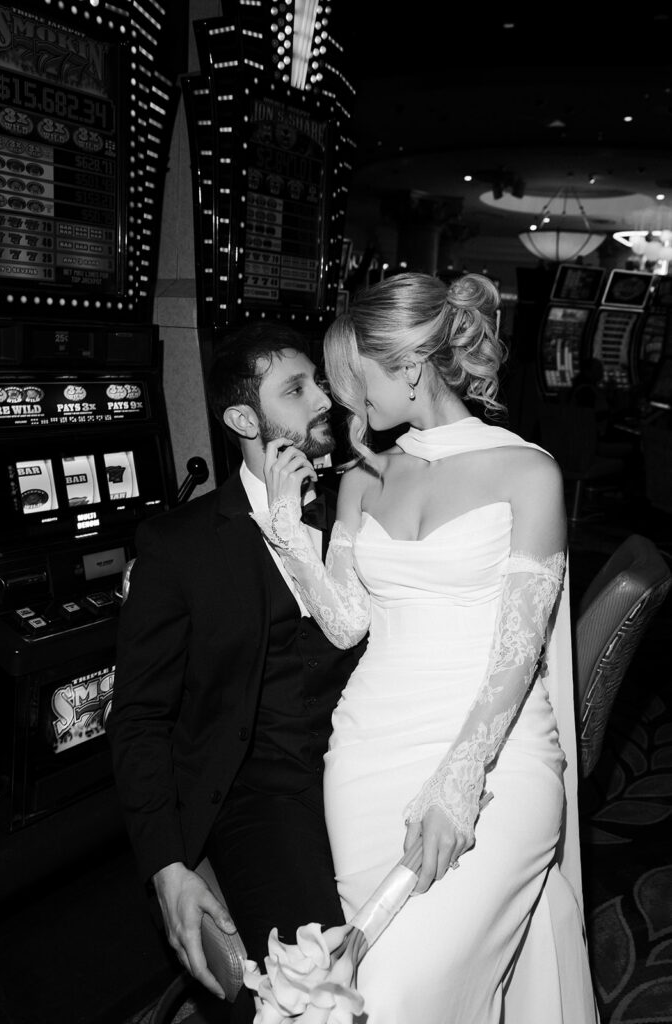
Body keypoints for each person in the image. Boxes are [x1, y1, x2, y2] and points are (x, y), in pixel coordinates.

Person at [251, 273, 599, 1023]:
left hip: (494, 755)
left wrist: (460, 780)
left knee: (398, 992)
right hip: (368, 754)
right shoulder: (363, 478)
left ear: (409, 366)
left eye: (354, 376)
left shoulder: (525, 471)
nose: (343, 399)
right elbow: (346, 622)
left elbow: (518, 652)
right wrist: (287, 526)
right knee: (372, 980)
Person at [105, 322, 367, 1023]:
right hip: (264, 793)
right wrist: (168, 869)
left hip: (366, 765)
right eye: (298, 388)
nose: (324, 399)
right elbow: (137, 718)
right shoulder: (180, 547)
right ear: (243, 418)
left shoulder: (362, 501)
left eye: (319, 380)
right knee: (323, 987)